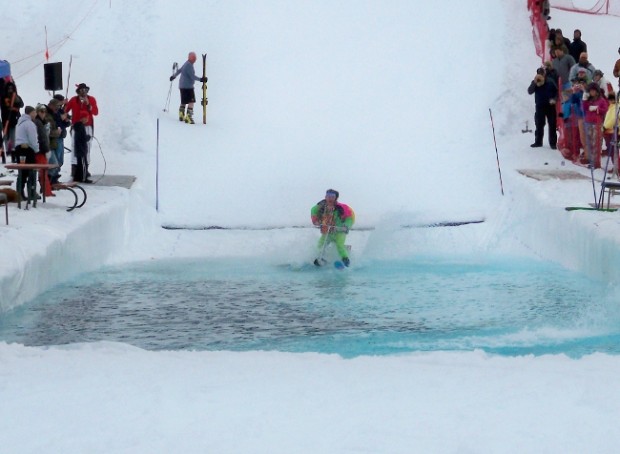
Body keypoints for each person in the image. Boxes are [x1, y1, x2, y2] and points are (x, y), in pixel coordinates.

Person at [310, 189, 355, 267]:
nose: (330, 198)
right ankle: (321, 258)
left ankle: (345, 260)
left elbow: (349, 218)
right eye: (328, 196)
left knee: (340, 245)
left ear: (336, 198)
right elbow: (314, 213)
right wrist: (316, 221)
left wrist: (346, 226)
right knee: (320, 245)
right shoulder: (320, 207)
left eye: (332, 197)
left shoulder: (342, 208)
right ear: (325, 197)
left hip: (339, 231)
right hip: (327, 231)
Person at [65, 83, 98, 183]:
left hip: (87, 126)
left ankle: (85, 168)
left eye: (85, 90)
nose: (83, 92)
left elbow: (96, 112)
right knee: (75, 147)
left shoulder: (91, 99)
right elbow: (66, 110)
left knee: (87, 147)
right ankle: (75, 169)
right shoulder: (74, 100)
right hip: (77, 126)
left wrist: (89, 105)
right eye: (81, 90)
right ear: (78, 91)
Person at [169, 52, 207, 124]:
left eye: (195, 58)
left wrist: (174, 76)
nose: (194, 60)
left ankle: (181, 114)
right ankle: (188, 117)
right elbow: (192, 76)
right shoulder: (189, 65)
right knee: (191, 101)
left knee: (184, 101)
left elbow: (180, 70)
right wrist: (201, 79)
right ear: (189, 58)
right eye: (193, 58)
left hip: (182, 86)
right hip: (188, 87)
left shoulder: (186, 63)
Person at [527, 69, 558, 149]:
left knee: (552, 124)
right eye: (539, 73)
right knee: (539, 124)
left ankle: (553, 143)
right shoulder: (535, 81)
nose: (540, 74)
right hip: (540, 106)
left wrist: (554, 99)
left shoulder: (550, 81)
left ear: (545, 74)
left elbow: (556, 92)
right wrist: (534, 83)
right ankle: (538, 142)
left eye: (542, 73)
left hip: (550, 105)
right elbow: (530, 91)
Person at [13, 106, 38, 200]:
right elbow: (33, 139)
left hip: (19, 149)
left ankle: (19, 193)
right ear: (30, 113)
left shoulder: (19, 123)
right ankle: (31, 191)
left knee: (22, 171)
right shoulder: (29, 124)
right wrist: (36, 149)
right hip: (28, 150)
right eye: (34, 112)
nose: (35, 114)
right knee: (31, 171)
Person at [582, 82, 609, 169]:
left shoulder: (601, 100)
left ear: (597, 91)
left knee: (596, 142)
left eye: (593, 91)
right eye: (590, 91)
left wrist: (597, 109)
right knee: (589, 142)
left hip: (597, 123)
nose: (591, 93)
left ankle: (596, 162)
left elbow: (605, 109)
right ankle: (591, 160)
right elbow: (584, 108)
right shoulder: (589, 100)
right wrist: (584, 100)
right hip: (588, 122)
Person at [33, 103, 54, 197]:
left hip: (41, 149)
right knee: (43, 171)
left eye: (45, 111)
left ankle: (46, 190)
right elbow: (42, 138)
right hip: (41, 150)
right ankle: (47, 191)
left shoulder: (43, 122)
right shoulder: (38, 122)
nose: (43, 113)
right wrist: (46, 150)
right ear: (37, 112)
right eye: (41, 111)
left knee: (43, 171)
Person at [1, 81, 24, 163]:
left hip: (13, 120)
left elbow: (21, 104)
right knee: (6, 138)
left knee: (13, 138)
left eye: (11, 88)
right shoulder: (3, 97)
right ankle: (6, 152)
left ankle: (13, 155)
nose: (10, 90)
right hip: (5, 120)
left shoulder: (16, 96)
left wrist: (15, 100)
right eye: (8, 88)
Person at [49, 95, 71, 182]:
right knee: (57, 158)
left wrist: (66, 121)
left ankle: (56, 175)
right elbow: (55, 122)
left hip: (60, 137)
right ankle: (53, 176)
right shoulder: (52, 113)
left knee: (60, 158)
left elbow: (65, 124)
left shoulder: (60, 111)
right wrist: (61, 119)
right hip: (56, 137)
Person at [71, 113, 90, 183]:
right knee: (83, 164)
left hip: (79, 149)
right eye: (86, 117)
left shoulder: (78, 126)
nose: (87, 119)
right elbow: (82, 138)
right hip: (81, 149)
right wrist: (87, 137)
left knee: (79, 165)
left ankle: (77, 178)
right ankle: (84, 178)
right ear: (83, 118)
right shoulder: (80, 126)